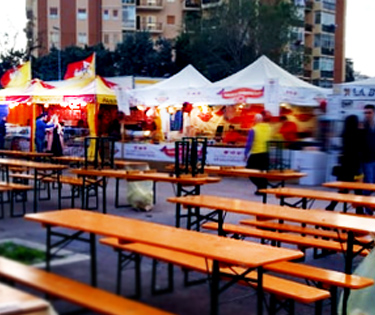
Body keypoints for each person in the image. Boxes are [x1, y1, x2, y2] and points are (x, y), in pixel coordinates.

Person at [325, 115, 364, 213]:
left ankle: (331, 206)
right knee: (358, 190)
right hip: (355, 166)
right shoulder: (358, 134)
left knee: (343, 190)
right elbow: (361, 148)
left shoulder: (345, 135)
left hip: (345, 167)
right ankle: (359, 210)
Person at [244, 113, 272, 195]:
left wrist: (246, 153)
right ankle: (262, 188)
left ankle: (261, 187)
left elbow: (249, 142)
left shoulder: (253, 129)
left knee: (250, 172)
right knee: (262, 172)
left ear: (255, 120)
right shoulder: (269, 128)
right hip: (266, 153)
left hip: (256, 153)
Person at [362, 104, 375, 214]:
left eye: (369, 112)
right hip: (367, 160)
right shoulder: (363, 127)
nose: (367, 115)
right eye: (365, 113)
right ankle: (368, 211)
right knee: (368, 185)